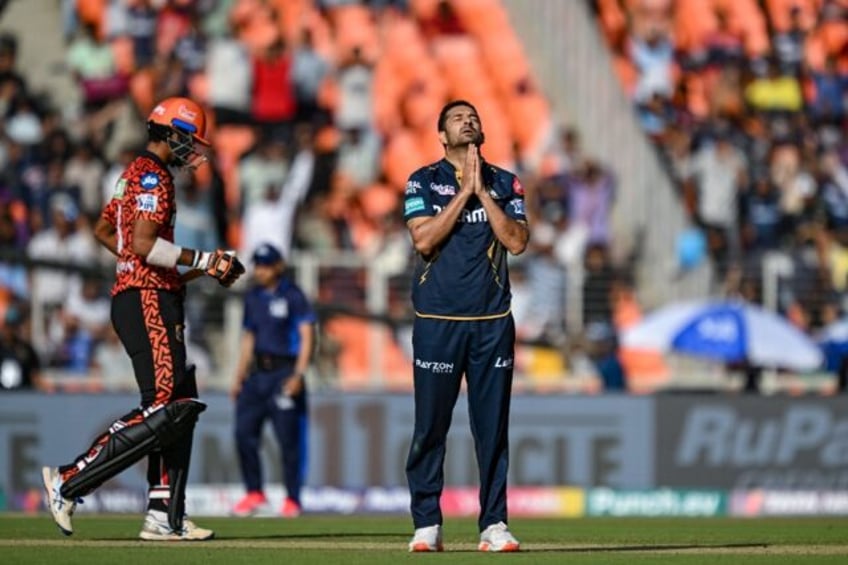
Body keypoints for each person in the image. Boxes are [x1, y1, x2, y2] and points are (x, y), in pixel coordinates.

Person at [41, 96, 246, 540]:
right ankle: (69, 480)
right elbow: (143, 245)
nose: (193, 149)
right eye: (189, 139)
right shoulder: (153, 175)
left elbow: (106, 232)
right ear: (171, 133)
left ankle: (163, 514)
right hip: (146, 299)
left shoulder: (133, 174)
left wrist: (199, 268)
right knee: (168, 405)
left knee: (177, 402)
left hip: (147, 292)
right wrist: (206, 258)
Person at [402, 100, 529, 552]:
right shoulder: (422, 179)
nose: (469, 120)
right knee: (430, 427)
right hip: (438, 320)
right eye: (458, 118)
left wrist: (484, 194)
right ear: (442, 135)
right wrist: (464, 193)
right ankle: (427, 524)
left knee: (492, 429)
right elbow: (424, 240)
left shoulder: (505, 181)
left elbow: (516, 241)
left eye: (474, 116)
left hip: (492, 322)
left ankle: (494, 524)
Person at [230, 243, 316, 518]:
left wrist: (299, 374)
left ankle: (293, 498)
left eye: (265, 265)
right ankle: (254, 492)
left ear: (278, 266)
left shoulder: (293, 295)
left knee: (288, 440)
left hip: (284, 373)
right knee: (244, 433)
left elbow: (307, 336)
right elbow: (248, 337)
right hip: (257, 375)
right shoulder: (253, 297)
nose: (260, 270)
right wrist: (239, 375)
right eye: (257, 264)